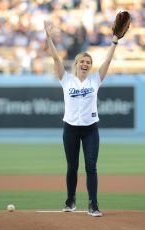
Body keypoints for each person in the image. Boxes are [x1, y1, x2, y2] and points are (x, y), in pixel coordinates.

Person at [44, 21, 118, 217]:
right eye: (82, 62)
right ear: (76, 65)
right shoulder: (66, 79)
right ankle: (71, 200)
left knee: (91, 166)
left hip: (90, 129)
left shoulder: (95, 80)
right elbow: (56, 59)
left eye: (88, 62)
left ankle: (93, 204)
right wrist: (49, 37)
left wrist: (115, 42)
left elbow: (108, 62)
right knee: (72, 167)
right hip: (70, 129)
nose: (85, 64)